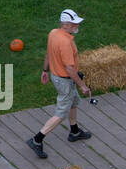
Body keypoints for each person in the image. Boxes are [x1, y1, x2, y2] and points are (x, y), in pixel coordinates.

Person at [27, 9, 93, 158]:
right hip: (65, 81)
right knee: (60, 113)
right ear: (66, 24)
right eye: (74, 23)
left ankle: (74, 131)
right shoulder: (66, 42)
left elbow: (49, 54)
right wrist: (82, 85)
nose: (77, 25)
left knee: (74, 101)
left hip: (56, 76)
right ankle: (37, 140)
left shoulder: (53, 33)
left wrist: (45, 70)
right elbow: (69, 68)